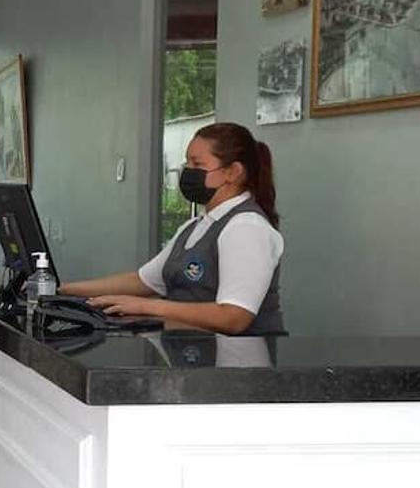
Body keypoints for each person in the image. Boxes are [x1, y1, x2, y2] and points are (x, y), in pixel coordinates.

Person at [59, 122, 285, 335]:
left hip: (239, 359)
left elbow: (234, 316)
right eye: (187, 163)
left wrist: (146, 307)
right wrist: (62, 289)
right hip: (194, 353)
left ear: (232, 172)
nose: (187, 170)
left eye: (197, 164)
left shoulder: (246, 227)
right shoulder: (196, 226)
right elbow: (143, 281)